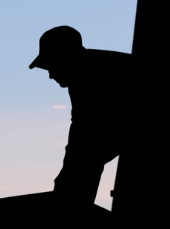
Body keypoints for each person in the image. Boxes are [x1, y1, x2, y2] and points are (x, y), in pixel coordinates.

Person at [27, 26, 135, 206]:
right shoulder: (86, 73)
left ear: (65, 58)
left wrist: (67, 196)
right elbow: (83, 138)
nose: (50, 75)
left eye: (51, 65)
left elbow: (85, 145)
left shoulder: (90, 79)